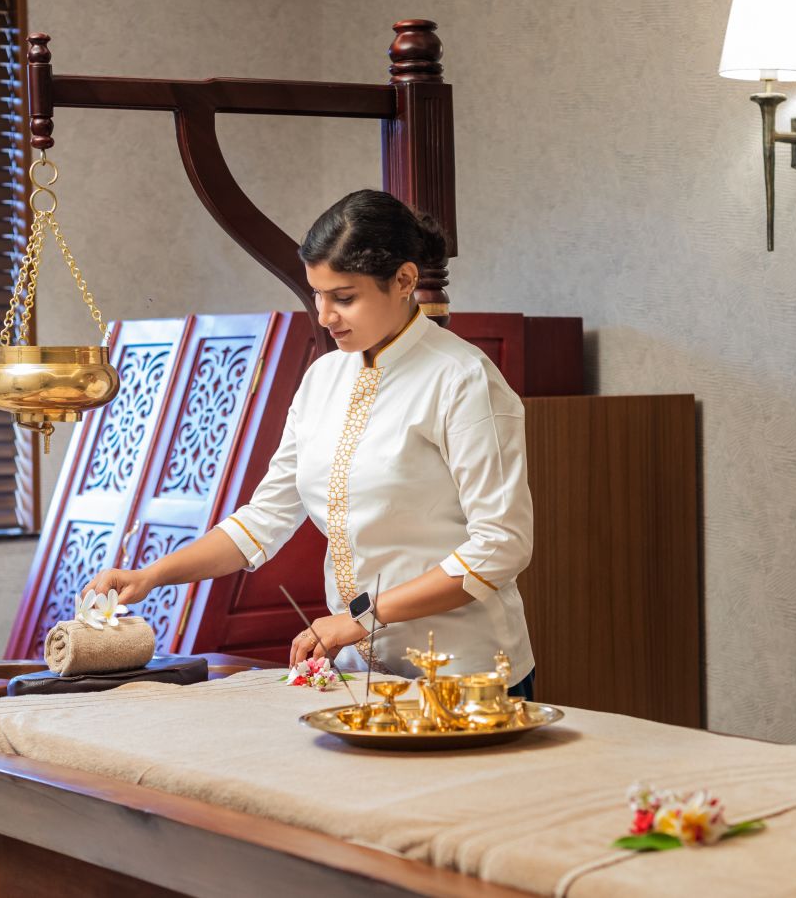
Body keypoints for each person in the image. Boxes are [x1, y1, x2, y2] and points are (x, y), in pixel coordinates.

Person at [79, 190, 536, 697]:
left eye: (344, 297)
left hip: (463, 673)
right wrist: (152, 575)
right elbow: (264, 518)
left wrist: (361, 617)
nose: (324, 315)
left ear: (405, 280)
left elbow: (501, 546)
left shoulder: (463, 378)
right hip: (363, 674)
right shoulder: (323, 378)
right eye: (316, 294)